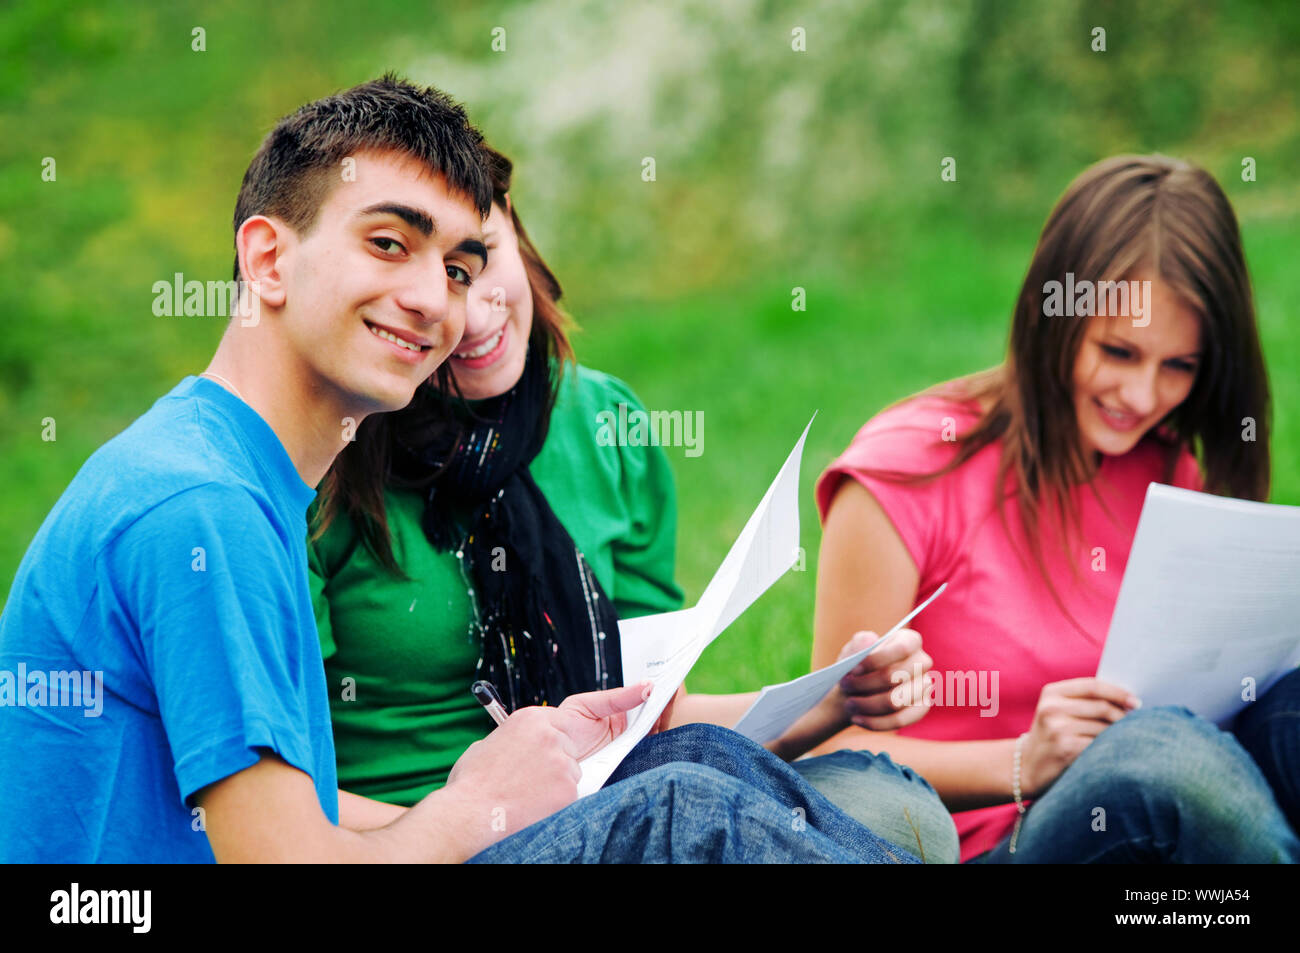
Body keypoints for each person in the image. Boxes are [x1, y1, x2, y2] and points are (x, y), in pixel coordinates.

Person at [0, 74, 901, 864]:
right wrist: (472, 805)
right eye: (390, 243)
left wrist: (525, 770)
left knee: (702, 767)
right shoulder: (200, 506)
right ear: (268, 259)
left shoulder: (238, 477)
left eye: (462, 265)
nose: (437, 301)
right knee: (684, 814)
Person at [309, 143, 959, 863]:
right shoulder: (326, 461)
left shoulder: (601, 420)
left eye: (479, 259)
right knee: (692, 806)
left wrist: (836, 702)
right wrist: (468, 817)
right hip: (424, 837)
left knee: (892, 803)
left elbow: (651, 713)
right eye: (443, 282)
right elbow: (282, 806)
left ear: (520, 242)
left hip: (613, 784)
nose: (474, 309)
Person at [809, 154, 1300, 862]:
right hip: (989, 845)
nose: (1141, 394)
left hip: (1163, 839)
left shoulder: (1169, 468)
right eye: (1118, 350)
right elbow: (826, 749)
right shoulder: (906, 471)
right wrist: (1022, 760)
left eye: (1179, 366)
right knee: (1161, 755)